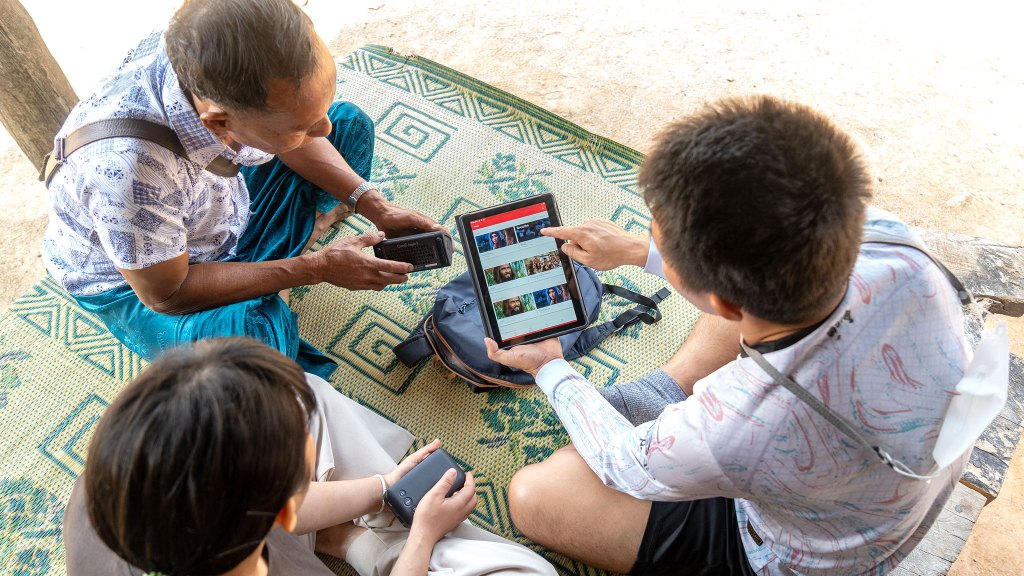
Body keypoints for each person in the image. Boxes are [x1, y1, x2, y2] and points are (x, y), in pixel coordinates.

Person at [487, 96, 972, 575]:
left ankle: (667, 412)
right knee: (755, 272)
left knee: (537, 494)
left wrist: (548, 366)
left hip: (794, 552)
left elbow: (621, 463)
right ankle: (666, 394)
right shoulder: (892, 241)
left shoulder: (735, 425)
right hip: (878, 482)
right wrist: (642, 252)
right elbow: (745, 277)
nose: (654, 246)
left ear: (723, 305)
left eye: (663, 246)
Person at [41, 0, 443, 380]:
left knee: (349, 124)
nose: (323, 129)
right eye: (300, 127)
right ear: (219, 123)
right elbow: (168, 294)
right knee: (257, 342)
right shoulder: (127, 173)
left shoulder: (211, 45)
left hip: (216, 203)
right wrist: (316, 269)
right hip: (150, 278)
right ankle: (289, 261)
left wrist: (375, 207)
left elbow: (315, 133)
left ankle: (288, 254)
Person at [63, 338, 557, 576]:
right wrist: (423, 535)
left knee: (310, 395)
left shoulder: (102, 487)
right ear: (283, 511)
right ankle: (360, 543)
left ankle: (350, 534)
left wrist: (385, 486)